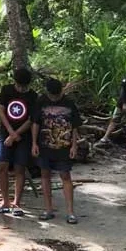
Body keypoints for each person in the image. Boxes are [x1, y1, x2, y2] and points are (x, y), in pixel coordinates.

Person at [31, 78, 81, 224]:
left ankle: (70, 212)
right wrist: (34, 143)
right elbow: (35, 123)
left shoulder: (69, 103)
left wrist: (74, 145)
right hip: (44, 145)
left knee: (65, 175)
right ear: (47, 92)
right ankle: (48, 209)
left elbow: (75, 126)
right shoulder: (41, 102)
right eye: (52, 96)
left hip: (63, 147)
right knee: (45, 175)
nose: (54, 98)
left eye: (57, 95)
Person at [0, 68, 37, 216]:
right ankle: (5, 201)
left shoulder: (32, 95)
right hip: (6, 132)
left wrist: (16, 134)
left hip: (23, 136)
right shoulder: (7, 90)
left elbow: (31, 120)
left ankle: (17, 203)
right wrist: (10, 133)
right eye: (20, 85)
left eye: (25, 86)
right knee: (2, 164)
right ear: (15, 82)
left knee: (20, 167)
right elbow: (0, 110)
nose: (22, 89)